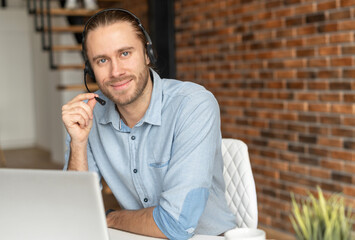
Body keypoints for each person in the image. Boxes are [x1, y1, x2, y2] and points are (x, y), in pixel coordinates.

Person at [62, 9, 237, 239]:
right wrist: (78, 143)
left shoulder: (193, 105)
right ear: (90, 69)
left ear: (147, 53)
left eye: (125, 53)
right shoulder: (87, 116)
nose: (116, 72)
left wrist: (111, 218)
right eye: (102, 60)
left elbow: (175, 224)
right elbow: (77, 214)